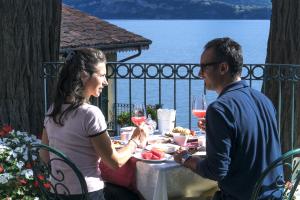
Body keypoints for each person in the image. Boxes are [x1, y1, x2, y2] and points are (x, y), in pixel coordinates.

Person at [174, 37, 283, 200]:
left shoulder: (220, 109)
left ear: (223, 68)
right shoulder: (264, 100)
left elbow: (216, 170)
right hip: (273, 195)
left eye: (204, 68)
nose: (200, 74)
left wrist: (185, 158)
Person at [41, 48, 148, 200]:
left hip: (57, 192)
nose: (106, 82)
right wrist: (135, 141)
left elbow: (44, 156)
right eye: (102, 75)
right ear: (84, 76)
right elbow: (115, 162)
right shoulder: (90, 113)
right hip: (87, 194)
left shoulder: (53, 110)